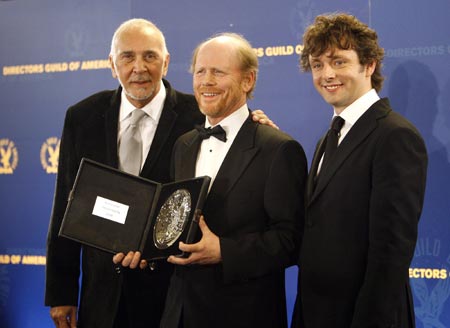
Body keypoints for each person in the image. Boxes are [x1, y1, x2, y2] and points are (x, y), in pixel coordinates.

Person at [45, 18, 274, 328]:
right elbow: (65, 206)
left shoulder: (203, 113)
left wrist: (253, 125)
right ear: (112, 65)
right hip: (100, 296)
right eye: (127, 57)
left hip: (170, 298)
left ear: (166, 63)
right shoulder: (82, 117)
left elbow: (241, 137)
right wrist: (61, 292)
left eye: (150, 56)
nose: (139, 67)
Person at [159, 32, 307, 328]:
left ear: (248, 81)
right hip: (179, 314)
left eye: (218, 72)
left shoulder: (278, 149)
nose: (206, 81)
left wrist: (225, 251)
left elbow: (292, 240)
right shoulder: (183, 145)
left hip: (243, 314)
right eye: (200, 71)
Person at [291, 13, 428, 328]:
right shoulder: (330, 137)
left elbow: (391, 253)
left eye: (338, 62)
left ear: (369, 65)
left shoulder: (394, 135)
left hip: (363, 315)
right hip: (316, 312)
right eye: (317, 65)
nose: (327, 74)